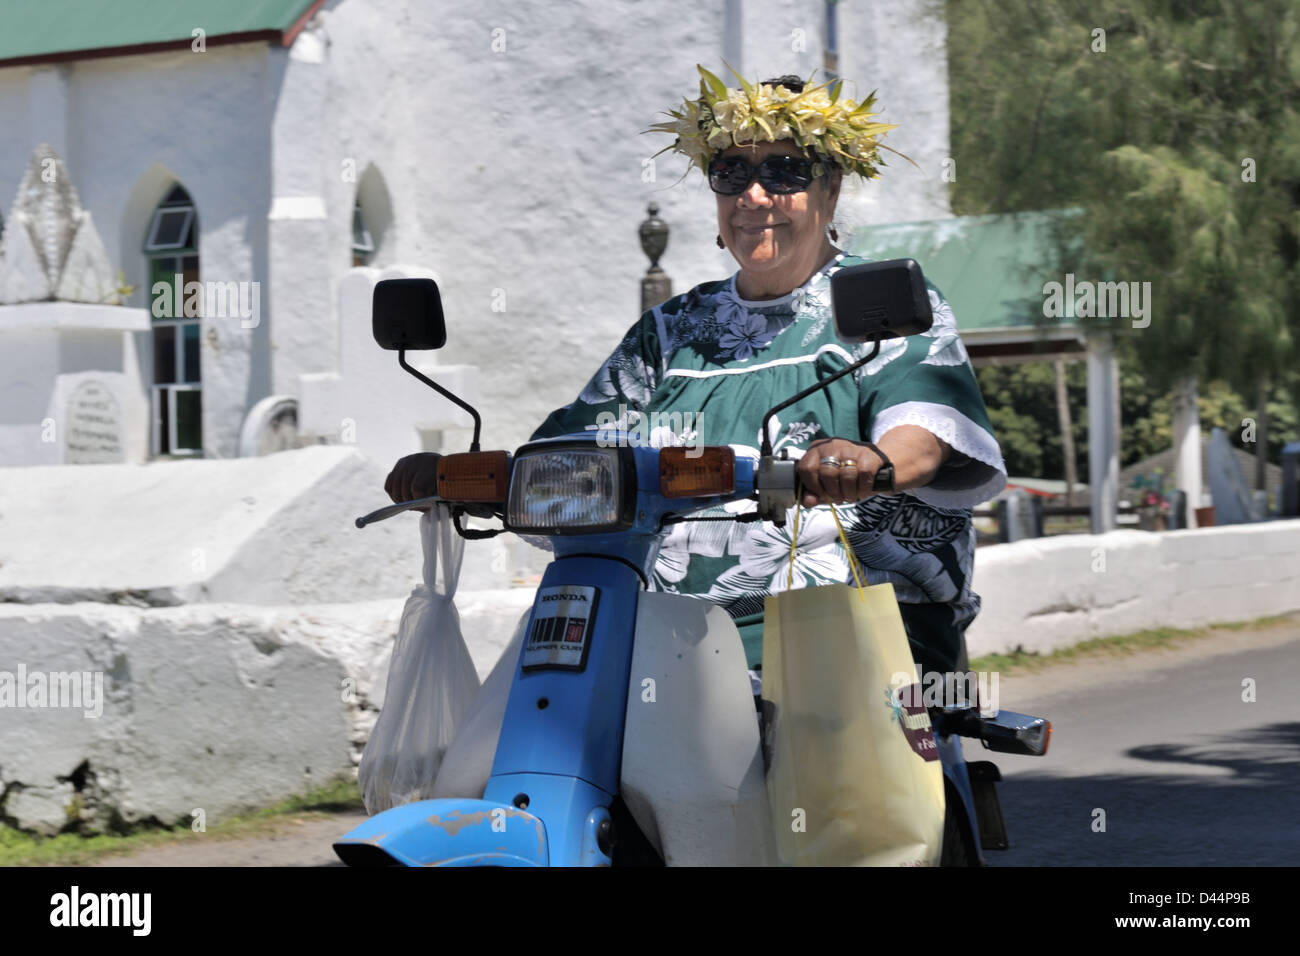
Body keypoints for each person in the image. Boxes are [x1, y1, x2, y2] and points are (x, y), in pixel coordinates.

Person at [386, 69, 1007, 687]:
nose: (754, 196)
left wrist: (864, 459)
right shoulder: (671, 329)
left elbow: (924, 428)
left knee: (834, 775)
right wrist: (468, 475)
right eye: (731, 174)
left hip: (852, 632)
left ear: (832, 188)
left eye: (785, 172)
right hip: (665, 637)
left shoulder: (881, 304)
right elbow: (579, 445)